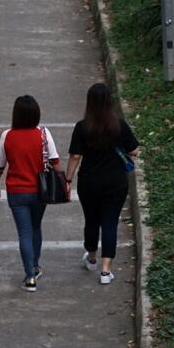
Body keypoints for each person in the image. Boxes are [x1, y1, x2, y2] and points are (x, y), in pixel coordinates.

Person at [65, 83, 139, 284]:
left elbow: (74, 157)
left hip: (89, 182)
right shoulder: (119, 125)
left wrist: (68, 180)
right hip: (115, 183)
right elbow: (134, 150)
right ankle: (106, 271)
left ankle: (91, 257)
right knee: (109, 223)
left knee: (91, 220)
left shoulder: (82, 127)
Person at [0, 95, 65, 292]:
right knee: (35, 227)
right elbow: (56, 161)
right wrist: (65, 183)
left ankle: (30, 277)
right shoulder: (43, 134)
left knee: (24, 232)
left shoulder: (7, 135)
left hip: (16, 192)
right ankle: (35, 265)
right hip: (40, 191)